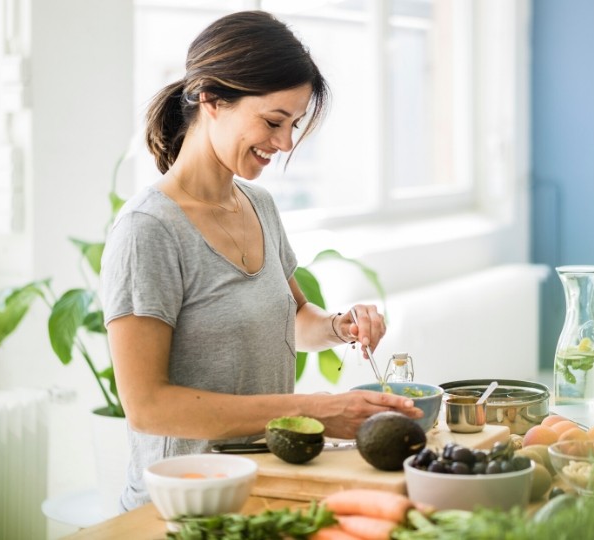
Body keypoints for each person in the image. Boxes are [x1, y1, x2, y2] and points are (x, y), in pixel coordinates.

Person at [100, 10, 422, 511]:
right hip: (183, 504)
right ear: (211, 98)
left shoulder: (260, 205)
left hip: (264, 484)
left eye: (293, 125)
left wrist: (340, 326)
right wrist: (316, 410)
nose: (286, 143)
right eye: (274, 121)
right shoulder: (149, 230)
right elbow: (148, 407)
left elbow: (294, 320)